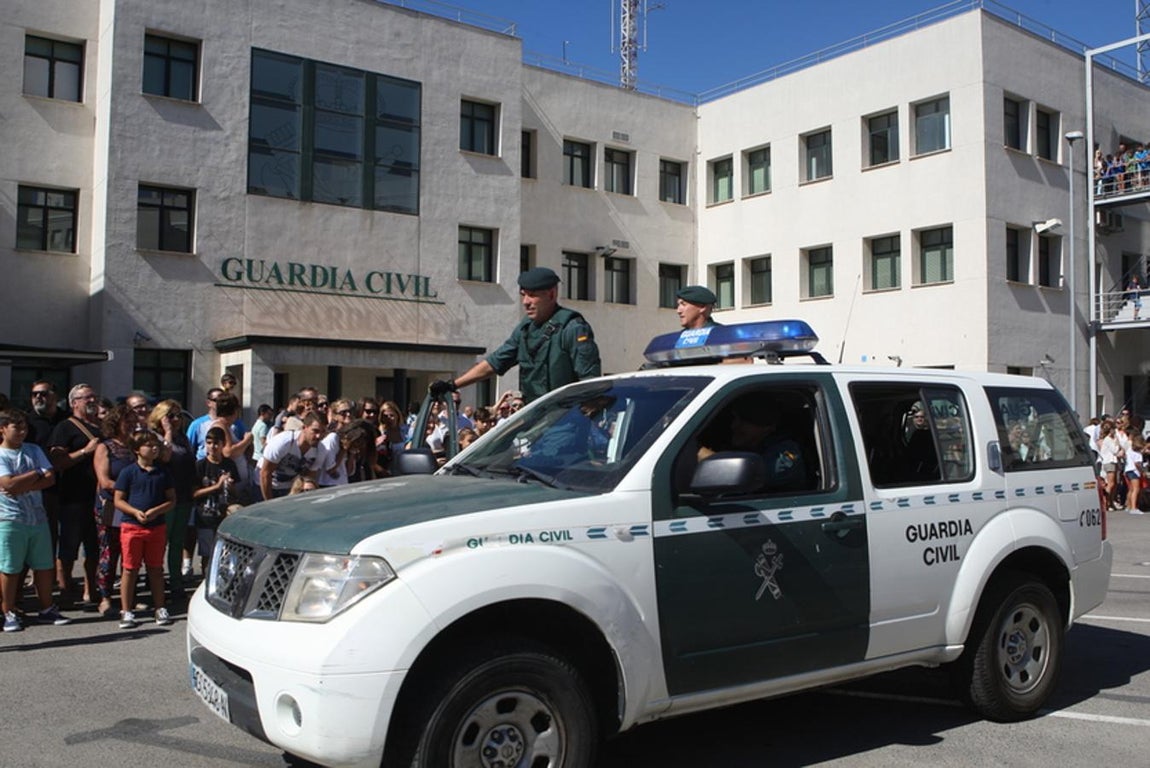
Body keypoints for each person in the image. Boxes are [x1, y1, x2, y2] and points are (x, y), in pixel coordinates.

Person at [430, 267, 601, 404]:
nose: (526, 302)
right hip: (536, 419)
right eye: (523, 295)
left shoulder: (572, 328)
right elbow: (494, 362)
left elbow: (590, 383)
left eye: (532, 295)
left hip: (565, 421)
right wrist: (452, 385)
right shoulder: (525, 329)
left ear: (551, 294)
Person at [0, 410, 71, 632]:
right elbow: (7, 484)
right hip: (10, 518)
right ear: (2, 429)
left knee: (44, 565)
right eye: (16, 427)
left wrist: (23, 483)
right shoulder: (1, 455)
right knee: (10, 567)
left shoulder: (33, 450)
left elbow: (49, 478)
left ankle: (47, 608)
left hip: (37, 517)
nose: (22, 431)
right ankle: (8, 611)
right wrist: (34, 475)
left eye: (24, 427)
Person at [47, 384, 102, 606]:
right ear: (74, 403)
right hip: (73, 497)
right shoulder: (65, 427)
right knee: (68, 546)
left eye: (93, 396)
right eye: (85, 397)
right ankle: (65, 588)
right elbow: (57, 461)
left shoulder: (100, 427)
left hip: (97, 497)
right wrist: (84, 452)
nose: (91, 400)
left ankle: (91, 590)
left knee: (94, 547)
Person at [113, 431, 175, 627]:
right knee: (130, 569)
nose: (154, 448)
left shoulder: (163, 472)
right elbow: (118, 500)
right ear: (137, 450)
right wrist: (135, 512)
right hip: (132, 527)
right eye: (149, 445)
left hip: (156, 527)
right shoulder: (128, 472)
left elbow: (172, 500)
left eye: (156, 444)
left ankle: (160, 608)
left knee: (156, 569)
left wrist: (157, 511)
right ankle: (126, 610)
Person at [701, 397, 807, 493]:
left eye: (745, 422)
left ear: (767, 427)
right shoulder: (740, 443)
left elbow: (745, 475)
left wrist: (698, 453)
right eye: (735, 419)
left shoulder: (785, 453)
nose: (734, 426)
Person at [92, 404, 139, 617]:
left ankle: (127, 598)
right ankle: (105, 597)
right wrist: (131, 486)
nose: (131, 424)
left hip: (133, 506)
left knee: (131, 553)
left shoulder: (135, 446)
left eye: (133, 420)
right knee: (109, 553)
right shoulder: (105, 447)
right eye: (126, 420)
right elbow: (104, 481)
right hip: (110, 506)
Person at [150, 399, 196, 600]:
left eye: (178, 415)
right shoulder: (154, 437)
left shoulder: (183, 438)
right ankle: (156, 582)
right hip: (163, 497)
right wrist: (167, 432)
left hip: (183, 495)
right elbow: (165, 457)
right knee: (161, 542)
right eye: (171, 416)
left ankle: (176, 582)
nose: (176, 420)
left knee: (178, 541)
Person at [191, 427, 239, 574]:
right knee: (207, 553)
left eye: (216, 443)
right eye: (209, 443)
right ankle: (205, 578)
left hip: (223, 514)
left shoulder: (229, 464)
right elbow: (194, 493)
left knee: (224, 552)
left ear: (223, 444)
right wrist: (216, 486)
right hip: (205, 515)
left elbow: (236, 492)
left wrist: (229, 486)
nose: (212, 447)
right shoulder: (200, 465)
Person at [259, 413, 329, 500]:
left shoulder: (321, 450)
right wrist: (268, 502)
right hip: (264, 484)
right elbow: (265, 473)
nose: (319, 436)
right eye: (315, 431)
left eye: (323, 432)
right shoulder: (284, 442)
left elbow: (309, 478)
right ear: (304, 428)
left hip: (289, 488)